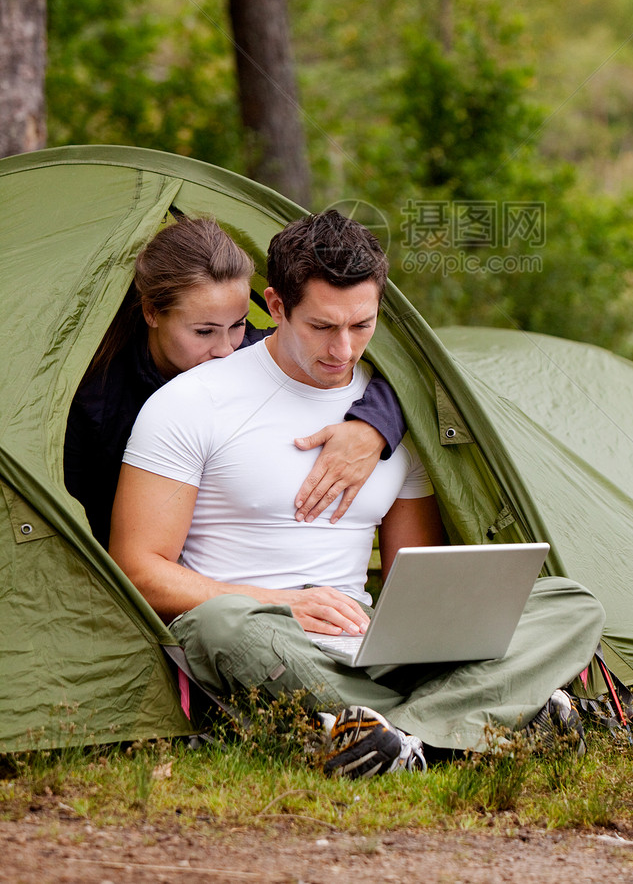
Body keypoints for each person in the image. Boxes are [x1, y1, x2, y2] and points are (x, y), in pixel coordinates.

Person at [110, 210, 605, 778]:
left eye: (361, 326)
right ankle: (480, 720)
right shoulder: (190, 402)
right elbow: (138, 567)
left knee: (570, 603)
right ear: (274, 306)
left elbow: (409, 574)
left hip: (366, 644)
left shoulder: (395, 415)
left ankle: (393, 737)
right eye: (322, 326)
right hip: (260, 634)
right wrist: (281, 602)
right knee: (220, 626)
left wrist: (425, 627)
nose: (343, 350)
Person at [64, 215, 406, 548]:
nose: (227, 350)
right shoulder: (96, 400)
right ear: (151, 313)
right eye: (204, 331)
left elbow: (395, 373)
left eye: (238, 324)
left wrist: (373, 425)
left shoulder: (255, 351)